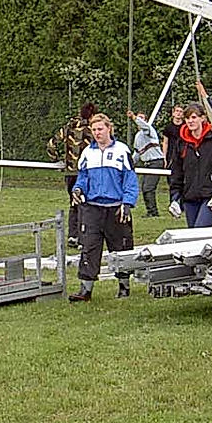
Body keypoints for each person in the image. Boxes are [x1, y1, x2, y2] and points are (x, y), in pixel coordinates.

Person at [69, 113, 137, 301]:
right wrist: (77, 189)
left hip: (116, 208)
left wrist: (127, 203)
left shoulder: (122, 151)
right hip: (92, 209)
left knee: (121, 247)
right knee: (89, 247)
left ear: (109, 129)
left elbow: (130, 179)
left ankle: (124, 287)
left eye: (100, 129)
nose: (97, 133)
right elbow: (82, 177)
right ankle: (85, 290)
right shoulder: (87, 153)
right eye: (94, 130)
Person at [175, 102, 212, 228]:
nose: (190, 121)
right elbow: (177, 172)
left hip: (210, 196)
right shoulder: (181, 143)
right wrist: (175, 198)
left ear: (202, 118)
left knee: (200, 229)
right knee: (193, 234)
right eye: (188, 118)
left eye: (194, 117)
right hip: (190, 197)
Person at [46, 102, 95, 248]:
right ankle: (82, 238)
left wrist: (57, 160)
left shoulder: (68, 127)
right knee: (85, 205)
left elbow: (51, 144)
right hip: (85, 173)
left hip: (70, 173)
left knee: (74, 203)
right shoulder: (92, 129)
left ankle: (72, 236)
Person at [126, 109, 164, 216]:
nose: (139, 120)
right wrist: (130, 163)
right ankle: (151, 211)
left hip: (156, 162)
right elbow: (137, 152)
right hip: (147, 163)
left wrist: (134, 117)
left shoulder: (149, 130)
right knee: (145, 188)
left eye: (142, 118)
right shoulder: (138, 136)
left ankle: (153, 212)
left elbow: (144, 126)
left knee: (148, 187)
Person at [161, 103, 186, 215]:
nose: (178, 113)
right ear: (173, 113)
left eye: (181, 111)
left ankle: (182, 203)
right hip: (171, 156)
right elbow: (165, 142)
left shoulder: (185, 126)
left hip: (183, 156)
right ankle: (173, 202)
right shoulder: (168, 127)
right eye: (177, 111)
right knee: (172, 181)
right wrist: (164, 157)